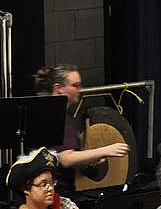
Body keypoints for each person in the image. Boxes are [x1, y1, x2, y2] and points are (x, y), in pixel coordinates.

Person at [33, 64, 129, 195]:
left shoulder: (56, 114)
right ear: (58, 88)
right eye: (75, 85)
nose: (80, 89)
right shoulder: (55, 116)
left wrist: (90, 158)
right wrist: (106, 150)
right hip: (54, 193)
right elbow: (65, 159)